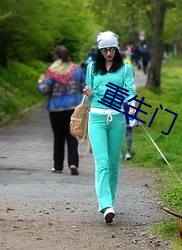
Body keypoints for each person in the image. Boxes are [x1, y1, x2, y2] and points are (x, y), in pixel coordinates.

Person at [83, 31, 135, 223]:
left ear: (117, 48)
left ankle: (110, 202)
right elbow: (88, 98)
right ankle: (105, 204)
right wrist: (88, 92)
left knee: (114, 164)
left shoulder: (125, 68)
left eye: (112, 49)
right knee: (102, 162)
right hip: (96, 118)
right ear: (99, 50)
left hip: (118, 119)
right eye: (104, 50)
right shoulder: (91, 68)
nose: (108, 53)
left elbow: (129, 91)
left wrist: (131, 107)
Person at [37, 45, 86, 175]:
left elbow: (45, 90)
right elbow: (84, 87)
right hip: (73, 109)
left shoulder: (52, 71)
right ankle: (73, 163)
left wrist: (40, 83)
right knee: (72, 137)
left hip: (56, 109)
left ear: (56, 57)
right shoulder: (77, 70)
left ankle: (58, 166)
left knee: (58, 138)